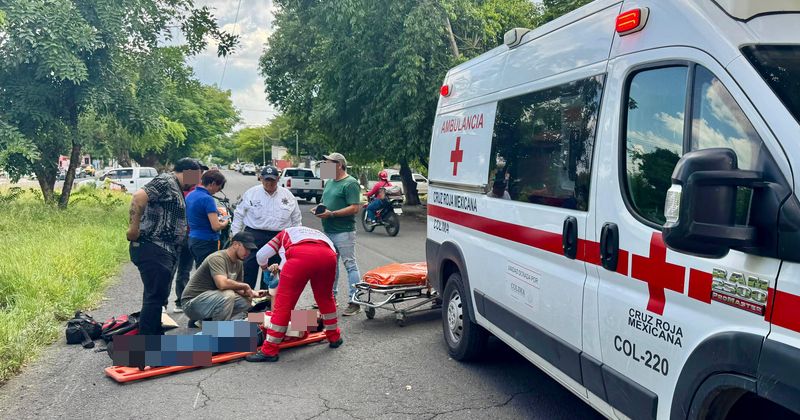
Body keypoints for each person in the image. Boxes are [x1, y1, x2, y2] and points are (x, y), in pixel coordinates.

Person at [245, 226, 342, 362]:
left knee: (283, 305)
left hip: (301, 257)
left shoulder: (283, 234)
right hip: (328, 256)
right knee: (326, 298)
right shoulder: (314, 233)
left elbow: (261, 255)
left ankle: (270, 350)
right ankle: (334, 337)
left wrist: (265, 269)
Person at [127, 158, 201, 335]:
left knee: (158, 296)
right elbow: (138, 197)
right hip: (153, 246)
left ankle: (153, 335)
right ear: (188, 172)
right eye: (196, 177)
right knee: (154, 297)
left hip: (165, 250)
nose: (197, 182)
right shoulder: (166, 181)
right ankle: (148, 343)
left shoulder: (175, 186)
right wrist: (133, 228)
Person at [231, 165, 302, 289]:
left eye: (272, 180)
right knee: (249, 268)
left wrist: (296, 240)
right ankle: (248, 299)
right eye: (266, 179)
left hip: (278, 237)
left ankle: (267, 301)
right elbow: (238, 215)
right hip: (253, 235)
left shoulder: (288, 195)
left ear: (278, 179)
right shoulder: (251, 193)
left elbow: (296, 219)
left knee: (273, 270)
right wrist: (236, 237)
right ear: (261, 178)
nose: (269, 183)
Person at [313, 152, 362, 316]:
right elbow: (325, 202)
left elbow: (355, 207)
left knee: (350, 265)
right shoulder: (330, 182)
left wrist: (332, 214)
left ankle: (355, 302)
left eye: (328, 163)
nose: (325, 166)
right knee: (330, 266)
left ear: (339, 165)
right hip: (328, 231)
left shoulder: (350, 183)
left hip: (344, 231)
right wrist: (319, 208)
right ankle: (330, 299)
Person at [181, 232, 265, 323]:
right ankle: (219, 332)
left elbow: (237, 288)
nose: (248, 253)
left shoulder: (239, 262)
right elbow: (222, 284)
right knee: (228, 295)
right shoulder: (218, 258)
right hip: (191, 304)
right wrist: (245, 286)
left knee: (246, 301)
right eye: (246, 248)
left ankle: (206, 323)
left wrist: (252, 293)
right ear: (235, 244)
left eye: (250, 250)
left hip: (211, 300)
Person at [186, 169, 229, 267]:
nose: (217, 191)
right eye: (218, 188)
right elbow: (216, 226)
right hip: (206, 241)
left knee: (200, 271)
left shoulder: (190, 195)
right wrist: (226, 221)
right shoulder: (208, 199)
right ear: (213, 183)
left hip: (193, 238)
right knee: (206, 276)